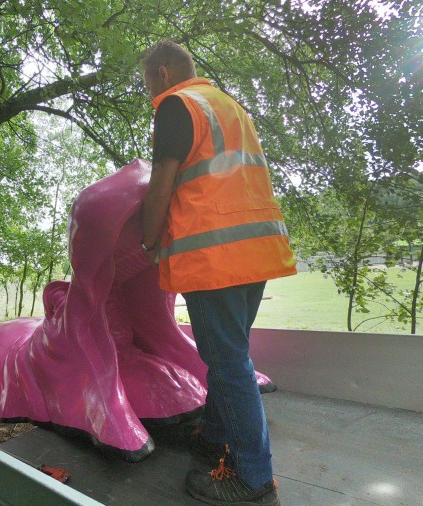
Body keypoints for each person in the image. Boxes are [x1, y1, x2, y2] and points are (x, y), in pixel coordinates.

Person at [141, 41, 297, 506]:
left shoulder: (177, 104)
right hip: (256, 250)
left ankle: (253, 478)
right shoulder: (230, 106)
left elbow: (162, 182)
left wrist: (148, 240)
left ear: (164, 73)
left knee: (228, 363)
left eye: (148, 82)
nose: (148, 91)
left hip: (216, 257)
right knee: (231, 353)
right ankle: (212, 436)